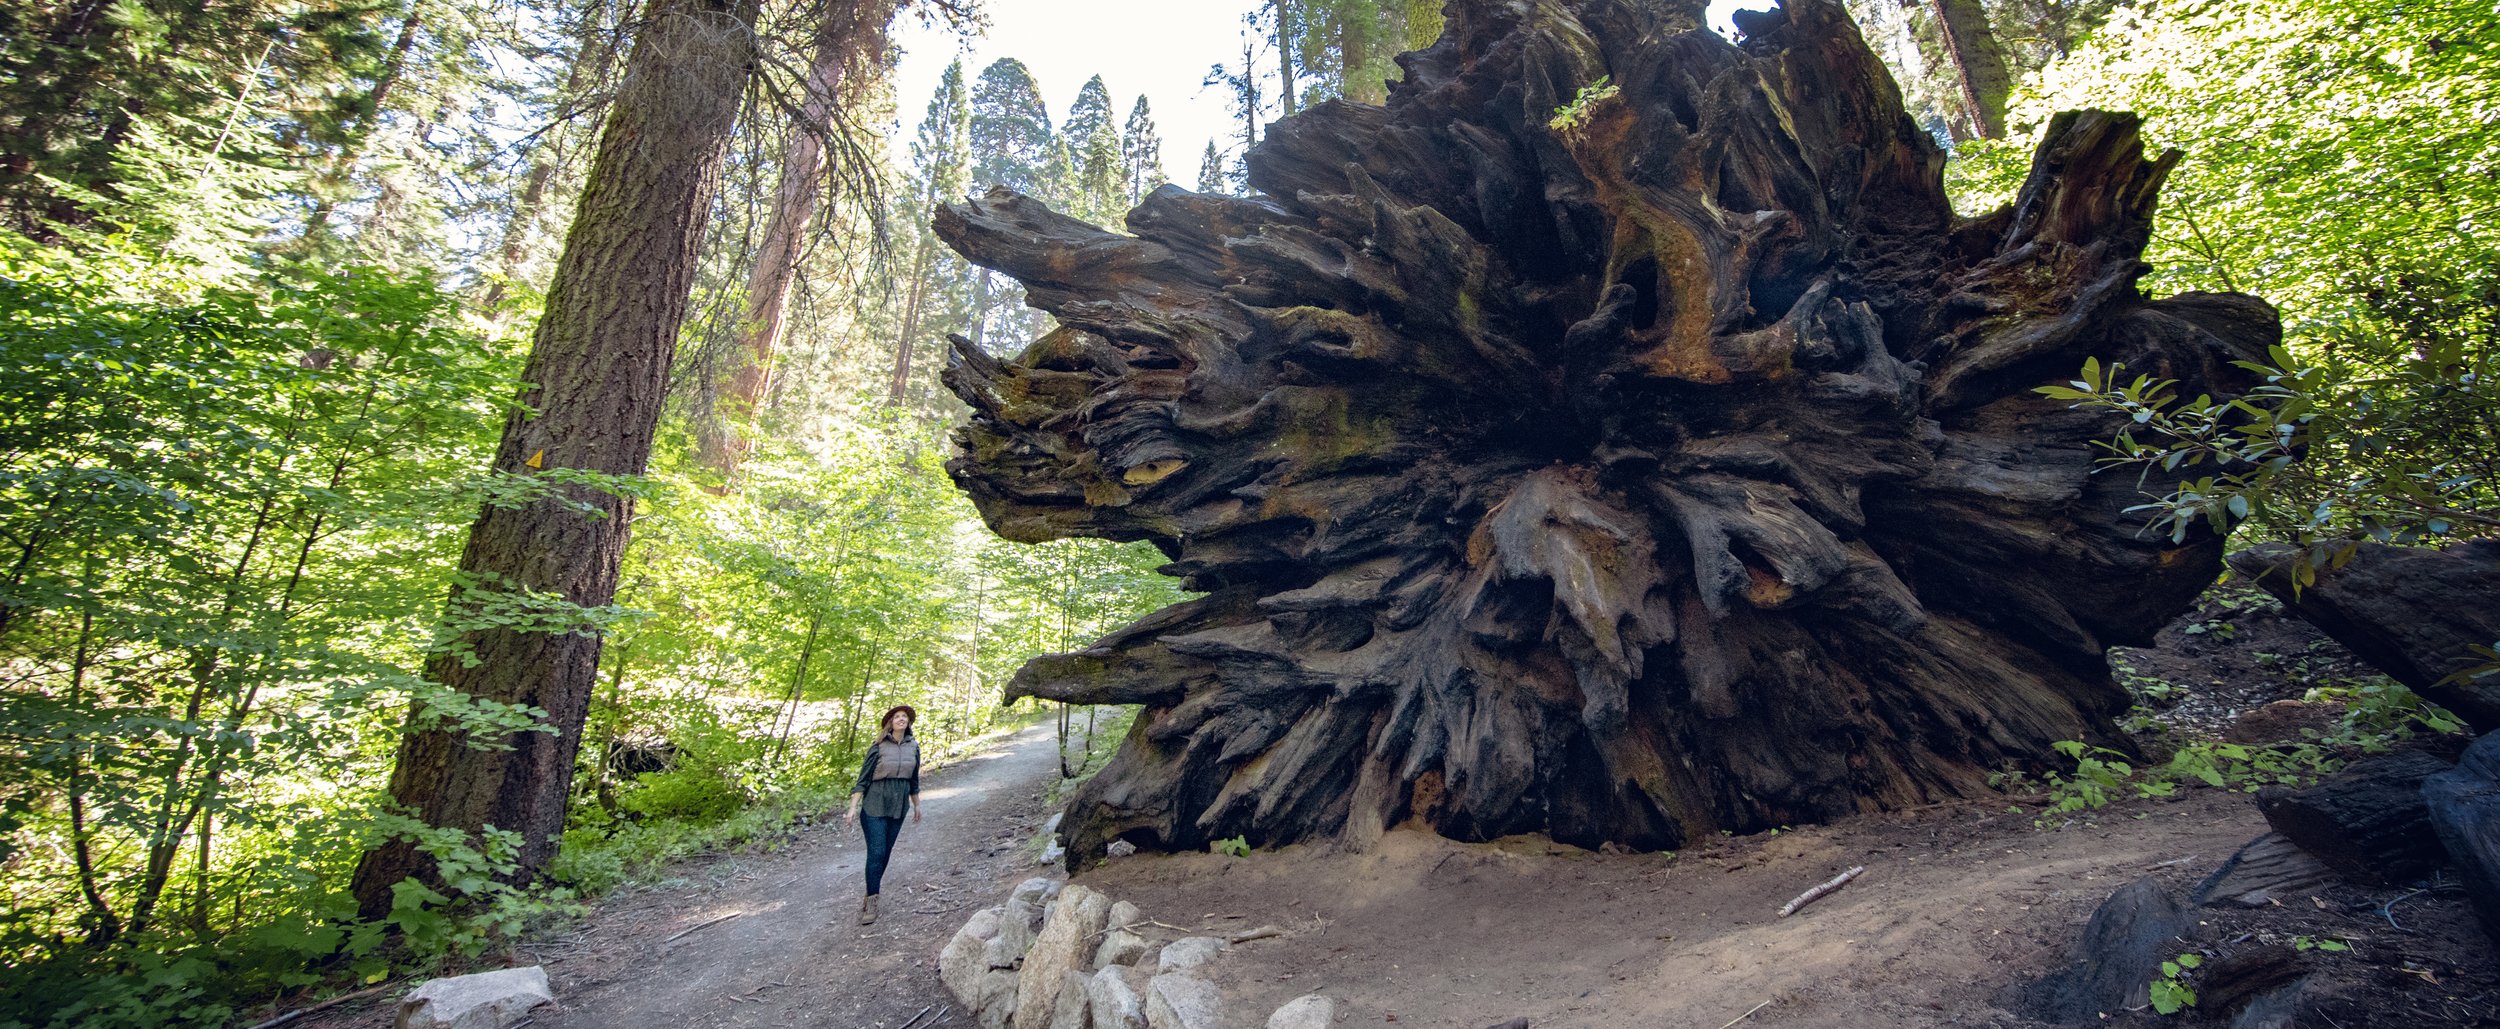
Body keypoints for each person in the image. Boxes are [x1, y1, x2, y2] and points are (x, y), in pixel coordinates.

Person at [845, 704, 921, 925]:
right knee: (877, 852)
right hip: (875, 804)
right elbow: (862, 781)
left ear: (908, 723)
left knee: (885, 853)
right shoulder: (878, 747)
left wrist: (917, 805)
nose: (901, 719)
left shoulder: (913, 747)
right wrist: (852, 809)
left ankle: (871, 890)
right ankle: (872, 900)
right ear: (890, 722)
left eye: (904, 717)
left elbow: (914, 780)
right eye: (897, 716)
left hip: (899, 805)